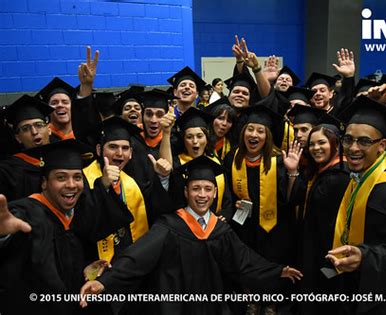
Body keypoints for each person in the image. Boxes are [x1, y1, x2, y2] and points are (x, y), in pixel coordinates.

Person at [79, 156, 303, 315]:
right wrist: (104, 283)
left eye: (208, 189)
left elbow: (244, 261)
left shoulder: (220, 230)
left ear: (215, 193)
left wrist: (277, 271)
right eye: (196, 189)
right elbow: (136, 258)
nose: (202, 195)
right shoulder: (168, 227)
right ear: (186, 192)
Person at [326, 96, 386, 314]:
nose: (353, 148)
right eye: (348, 139)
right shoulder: (361, 176)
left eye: (364, 141)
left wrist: (365, 257)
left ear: (382, 145)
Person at [0, 139, 96, 314]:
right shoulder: (26, 212)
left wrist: (86, 270)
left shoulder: (77, 214)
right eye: (61, 177)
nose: (71, 185)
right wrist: (2, 236)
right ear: (44, 182)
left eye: (77, 177)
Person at [224, 105, 301, 314]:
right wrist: (233, 207)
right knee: (248, 264)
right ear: (243, 132)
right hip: (244, 226)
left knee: (272, 263)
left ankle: (271, 303)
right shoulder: (232, 158)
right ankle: (251, 300)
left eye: (260, 131)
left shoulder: (278, 160)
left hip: (275, 228)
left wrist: (293, 172)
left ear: (267, 135)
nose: (254, 135)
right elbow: (227, 194)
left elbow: (290, 198)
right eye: (250, 129)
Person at [82, 116, 173, 264]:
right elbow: (85, 223)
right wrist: (103, 185)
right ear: (99, 150)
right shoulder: (84, 180)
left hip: (129, 262)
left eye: (125, 148)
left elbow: (158, 211)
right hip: (97, 264)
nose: (119, 153)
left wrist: (162, 178)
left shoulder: (134, 182)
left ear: (131, 153)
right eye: (113, 147)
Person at [292, 115, 350, 315]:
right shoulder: (319, 171)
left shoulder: (340, 176)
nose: (315, 148)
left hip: (327, 253)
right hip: (315, 250)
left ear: (335, 143)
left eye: (322, 143)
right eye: (312, 144)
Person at [173, 107, 234, 220]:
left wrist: (223, 217)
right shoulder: (176, 164)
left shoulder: (217, 163)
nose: (195, 141)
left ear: (207, 139)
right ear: (183, 140)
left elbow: (227, 201)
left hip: (215, 227)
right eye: (189, 137)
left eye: (200, 136)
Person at [0, 95, 54, 201]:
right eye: (25, 129)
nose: (34, 132)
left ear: (49, 129)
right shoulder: (7, 171)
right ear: (18, 138)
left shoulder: (64, 158)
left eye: (39, 125)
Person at [36, 77, 77, 142]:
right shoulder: (41, 138)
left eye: (65, 102)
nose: (60, 105)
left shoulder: (82, 135)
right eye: (54, 103)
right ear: (48, 108)